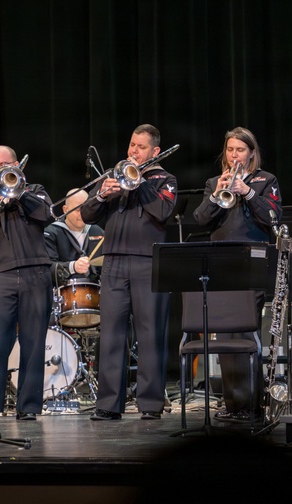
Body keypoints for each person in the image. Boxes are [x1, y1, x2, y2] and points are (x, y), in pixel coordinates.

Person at [81, 124, 177, 420]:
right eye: (132, 145)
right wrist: (101, 195)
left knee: (150, 334)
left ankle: (150, 404)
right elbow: (86, 214)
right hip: (114, 263)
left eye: (141, 147)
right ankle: (109, 405)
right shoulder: (114, 175)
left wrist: (138, 182)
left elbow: (163, 213)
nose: (134, 151)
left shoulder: (165, 179)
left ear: (155, 151)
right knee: (111, 334)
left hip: (149, 262)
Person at [192, 126, 282, 421]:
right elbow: (201, 219)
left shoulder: (266, 180)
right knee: (224, 337)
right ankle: (234, 405)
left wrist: (248, 191)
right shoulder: (214, 182)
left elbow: (273, 217)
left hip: (252, 262)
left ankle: (251, 404)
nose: (234, 156)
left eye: (240, 150)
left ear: (251, 153)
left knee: (245, 333)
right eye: (230, 150)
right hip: (221, 263)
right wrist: (218, 193)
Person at [0, 145, 54, 421]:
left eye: (3, 165)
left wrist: (18, 194)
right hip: (3, 276)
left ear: (17, 165)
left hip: (36, 273)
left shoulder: (35, 190)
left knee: (33, 341)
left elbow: (47, 215)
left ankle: (28, 407)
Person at [44, 187, 104, 285]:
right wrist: (73, 267)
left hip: (96, 292)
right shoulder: (51, 234)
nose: (83, 214)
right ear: (65, 209)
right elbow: (46, 269)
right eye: (78, 209)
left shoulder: (98, 232)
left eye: (86, 208)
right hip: (64, 294)